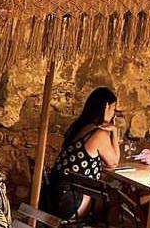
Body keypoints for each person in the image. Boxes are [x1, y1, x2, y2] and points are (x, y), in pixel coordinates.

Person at [48, 87, 122, 219]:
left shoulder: (79, 127)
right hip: (70, 202)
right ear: (105, 107)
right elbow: (114, 163)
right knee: (117, 197)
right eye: (113, 110)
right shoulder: (98, 133)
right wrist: (115, 131)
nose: (113, 115)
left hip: (52, 196)